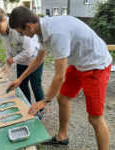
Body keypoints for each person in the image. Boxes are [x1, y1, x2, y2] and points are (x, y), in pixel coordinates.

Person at [7, 6, 112, 150]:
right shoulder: (42, 30)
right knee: (62, 98)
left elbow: (59, 77)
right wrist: (20, 79)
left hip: (96, 65)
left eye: (21, 32)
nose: (22, 35)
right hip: (79, 63)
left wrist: (45, 101)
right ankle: (62, 137)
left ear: (28, 26)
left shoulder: (56, 33)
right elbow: (38, 59)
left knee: (94, 118)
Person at [0, 5, 44, 106]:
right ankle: (27, 105)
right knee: (21, 84)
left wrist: (13, 59)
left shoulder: (17, 27)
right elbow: (8, 49)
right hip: (21, 61)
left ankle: (41, 109)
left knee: (36, 85)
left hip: (35, 59)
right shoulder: (3, 32)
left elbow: (29, 51)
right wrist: (8, 63)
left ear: (4, 20)